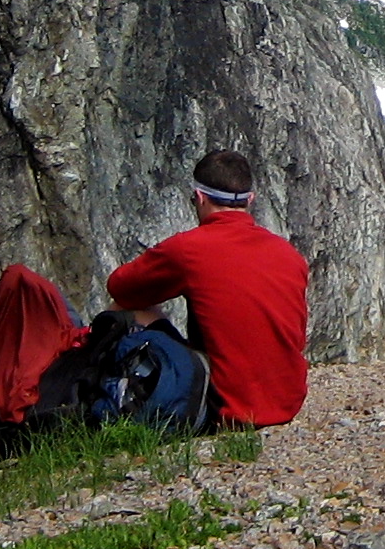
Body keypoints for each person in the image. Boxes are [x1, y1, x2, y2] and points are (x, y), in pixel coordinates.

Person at [103, 150, 310, 428]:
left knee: (127, 309)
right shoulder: (289, 254)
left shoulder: (189, 249)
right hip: (286, 404)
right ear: (250, 200)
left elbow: (120, 287)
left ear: (199, 198)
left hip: (224, 411)